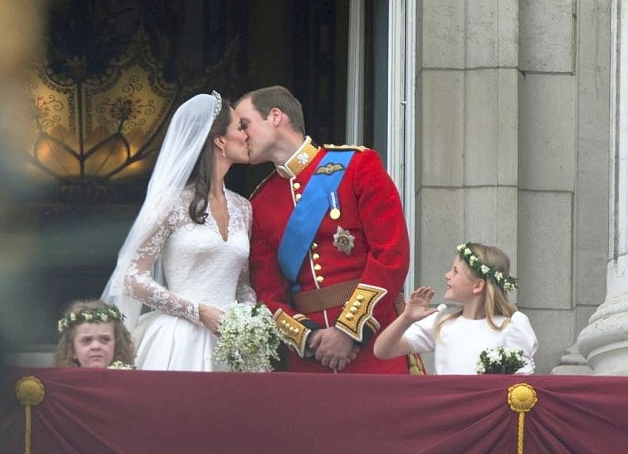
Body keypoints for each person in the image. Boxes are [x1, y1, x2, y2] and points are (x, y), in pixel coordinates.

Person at [234, 85, 411, 373]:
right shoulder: (261, 202)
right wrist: (311, 337)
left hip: (375, 342)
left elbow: (391, 254)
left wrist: (348, 330)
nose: (241, 136)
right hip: (311, 357)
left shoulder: (357, 166)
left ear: (276, 116)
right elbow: (268, 293)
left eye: (245, 124)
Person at [101, 91, 256, 370]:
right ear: (220, 140)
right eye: (240, 128)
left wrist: (246, 316)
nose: (247, 135)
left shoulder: (243, 208)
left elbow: (242, 283)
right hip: (179, 340)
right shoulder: (170, 203)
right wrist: (196, 311)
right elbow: (131, 276)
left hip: (232, 343)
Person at [374, 242, 538, 374]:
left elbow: (521, 387)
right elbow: (382, 351)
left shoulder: (511, 326)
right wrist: (406, 319)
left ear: (477, 286)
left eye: (455, 271)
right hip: (447, 413)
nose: (447, 275)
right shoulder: (442, 323)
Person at [55, 299, 136, 368]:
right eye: (86, 340)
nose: (96, 346)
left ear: (117, 345)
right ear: (72, 350)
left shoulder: (130, 383)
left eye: (105, 339)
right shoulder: (58, 385)